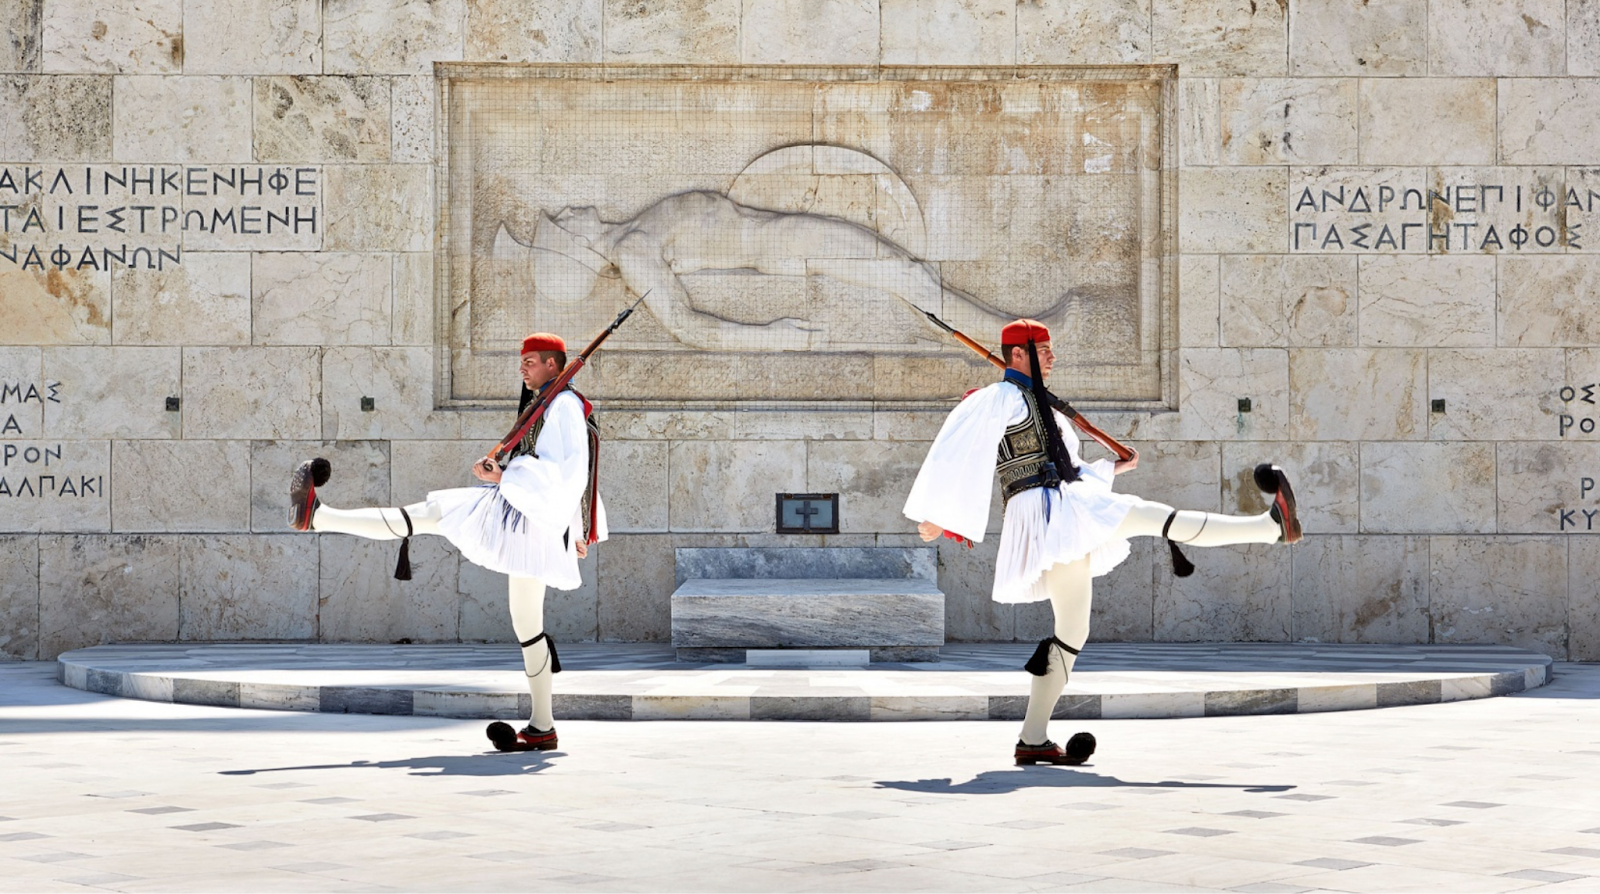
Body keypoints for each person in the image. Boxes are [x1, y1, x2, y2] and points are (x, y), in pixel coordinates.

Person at [903, 319, 1301, 767]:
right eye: (1044, 349)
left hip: (1065, 505)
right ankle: (1269, 527)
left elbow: (1068, 467)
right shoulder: (998, 398)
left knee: (1072, 631)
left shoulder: (1044, 406)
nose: (1052, 357)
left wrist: (1112, 468)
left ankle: (1032, 739)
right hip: (1050, 512)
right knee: (1153, 517)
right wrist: (939, 515)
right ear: (1019, 355)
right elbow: (960, 449)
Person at [288, 333, 606, 753]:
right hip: (531, 519)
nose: (522, 368)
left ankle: (320, 516)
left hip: (528, 516)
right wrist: (570, 522)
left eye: (530, 361)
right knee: (527, 626)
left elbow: (568, 474)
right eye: (523, 361)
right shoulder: (550, 403)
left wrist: (505, 478)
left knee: (433, 513)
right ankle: (542, 727)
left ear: (553, 364)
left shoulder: (563, 405)